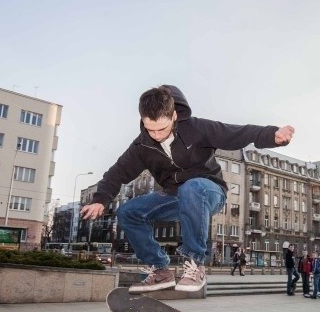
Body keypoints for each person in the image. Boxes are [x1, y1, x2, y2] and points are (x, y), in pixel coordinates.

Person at [80, 85, 294, 293]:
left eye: (161, 129)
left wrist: (271, 135)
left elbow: (236, 133)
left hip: (209, 191)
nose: (156, 135)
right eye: (150, 129)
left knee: (192, 187)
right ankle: (160, 270)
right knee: (127, 212)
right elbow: (118, 171)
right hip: (175, 196)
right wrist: (101, 198)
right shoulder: (142, 145)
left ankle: (195, 263)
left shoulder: (197, 128)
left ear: (174, 116)